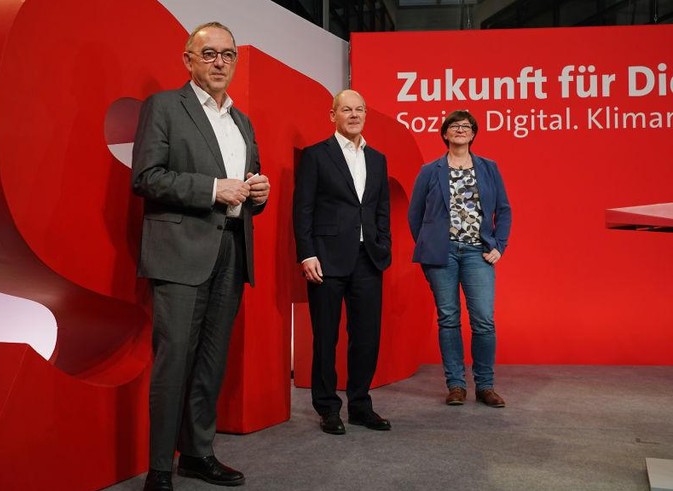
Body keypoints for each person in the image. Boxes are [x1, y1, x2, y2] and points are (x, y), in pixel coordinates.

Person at [131, 21, 269, 491]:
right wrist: (213, 189)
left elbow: (246, 183)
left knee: (212, 361)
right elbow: (146, 177)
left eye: (227, 54)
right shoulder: (166, 107)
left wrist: (258, 192)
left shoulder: (242, 121)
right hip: (180, 252)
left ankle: (197, 454)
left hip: (232, 248)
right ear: (188, 60)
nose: (220, 62)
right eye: (209, 54)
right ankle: (158, 468)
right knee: (174, 362)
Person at [293, 89, 392, 435]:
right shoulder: (317, 156)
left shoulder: (378, 159)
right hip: (326, 260)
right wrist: (307, 253)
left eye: (359, 109)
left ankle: (361, 405)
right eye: (346, 109)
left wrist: (384, 245)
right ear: (332, 115)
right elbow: (302, 208)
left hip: (369, 260)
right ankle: (328, 408)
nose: (353, 115)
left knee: (366, 336)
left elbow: (381, 209)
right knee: (325, 337)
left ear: (366, 114)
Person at [407, 110, 512, 408]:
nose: (460, 130)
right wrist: (429, 245)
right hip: (443, 255)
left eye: (466, 126)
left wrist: (499, 245)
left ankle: (485, 385)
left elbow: (503, 210)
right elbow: (415, 214)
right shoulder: (430, 170)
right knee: (449, 318)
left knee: (483, 320)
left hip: (478, 252)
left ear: (474, 134)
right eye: (454, 126)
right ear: (445, 134)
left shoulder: (489, 168)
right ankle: (455, 385)